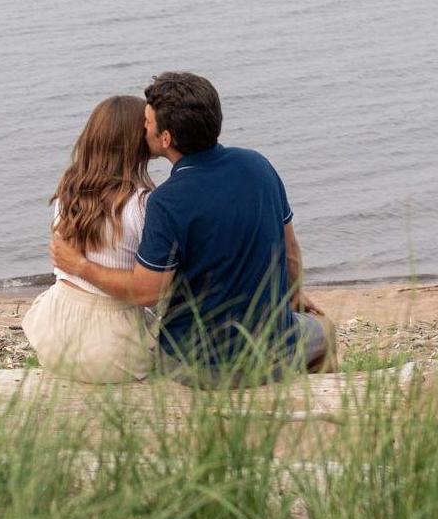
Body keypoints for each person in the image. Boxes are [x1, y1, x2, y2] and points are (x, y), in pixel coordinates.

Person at [50, 71, 336, 383]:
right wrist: (292, 295)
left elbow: (147, 292)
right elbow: (290, 251)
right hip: (271, 352)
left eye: (147, 122)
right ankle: (315, 399)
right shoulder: (258, 166)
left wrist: (80, 266)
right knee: (325, 330)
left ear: (165, 138)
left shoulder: (166, 202)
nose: (142, 127)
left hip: (194, 365)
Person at [22, 95, 158, 382]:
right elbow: (150, 288)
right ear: (136, 142)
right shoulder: (143, 203)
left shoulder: (68, 192)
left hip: (55, 333)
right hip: (111, 346)